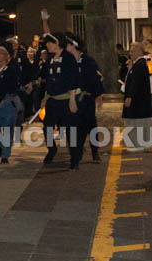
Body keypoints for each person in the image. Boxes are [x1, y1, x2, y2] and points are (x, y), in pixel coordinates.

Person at [66, 33, 105, 167]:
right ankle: (75, 155)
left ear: (73, 46)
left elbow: (96, 80)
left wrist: (98, 96)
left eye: (67, 45)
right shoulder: (67, 62)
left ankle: (95, 151)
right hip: (72, 99)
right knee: (73, 127)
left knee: (90, 126)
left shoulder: (88, 61)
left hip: (86, 99)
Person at [40, 32, 78, 165]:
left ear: (56, 43)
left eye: (49, 44)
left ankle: (74, 157)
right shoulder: (50, 59)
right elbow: (48, 80)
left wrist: (72, 100)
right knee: (47, 127)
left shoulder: (68, 58)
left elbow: (74, 79)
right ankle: (52, 149)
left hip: (65, 99)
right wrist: (45, 98)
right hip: (52, 100)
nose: (47, 46)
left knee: (70, 130)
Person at [122, 42, 152, 151]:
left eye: (132, 51)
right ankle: (138, 144)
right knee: (138, 122)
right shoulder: (137, 64)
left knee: (136, 123)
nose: (130, 53)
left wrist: (130, 96)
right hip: (139, 101)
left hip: (137, 101)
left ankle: (136, 145)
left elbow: (135, 82)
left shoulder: (140, 64)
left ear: (139, 51)